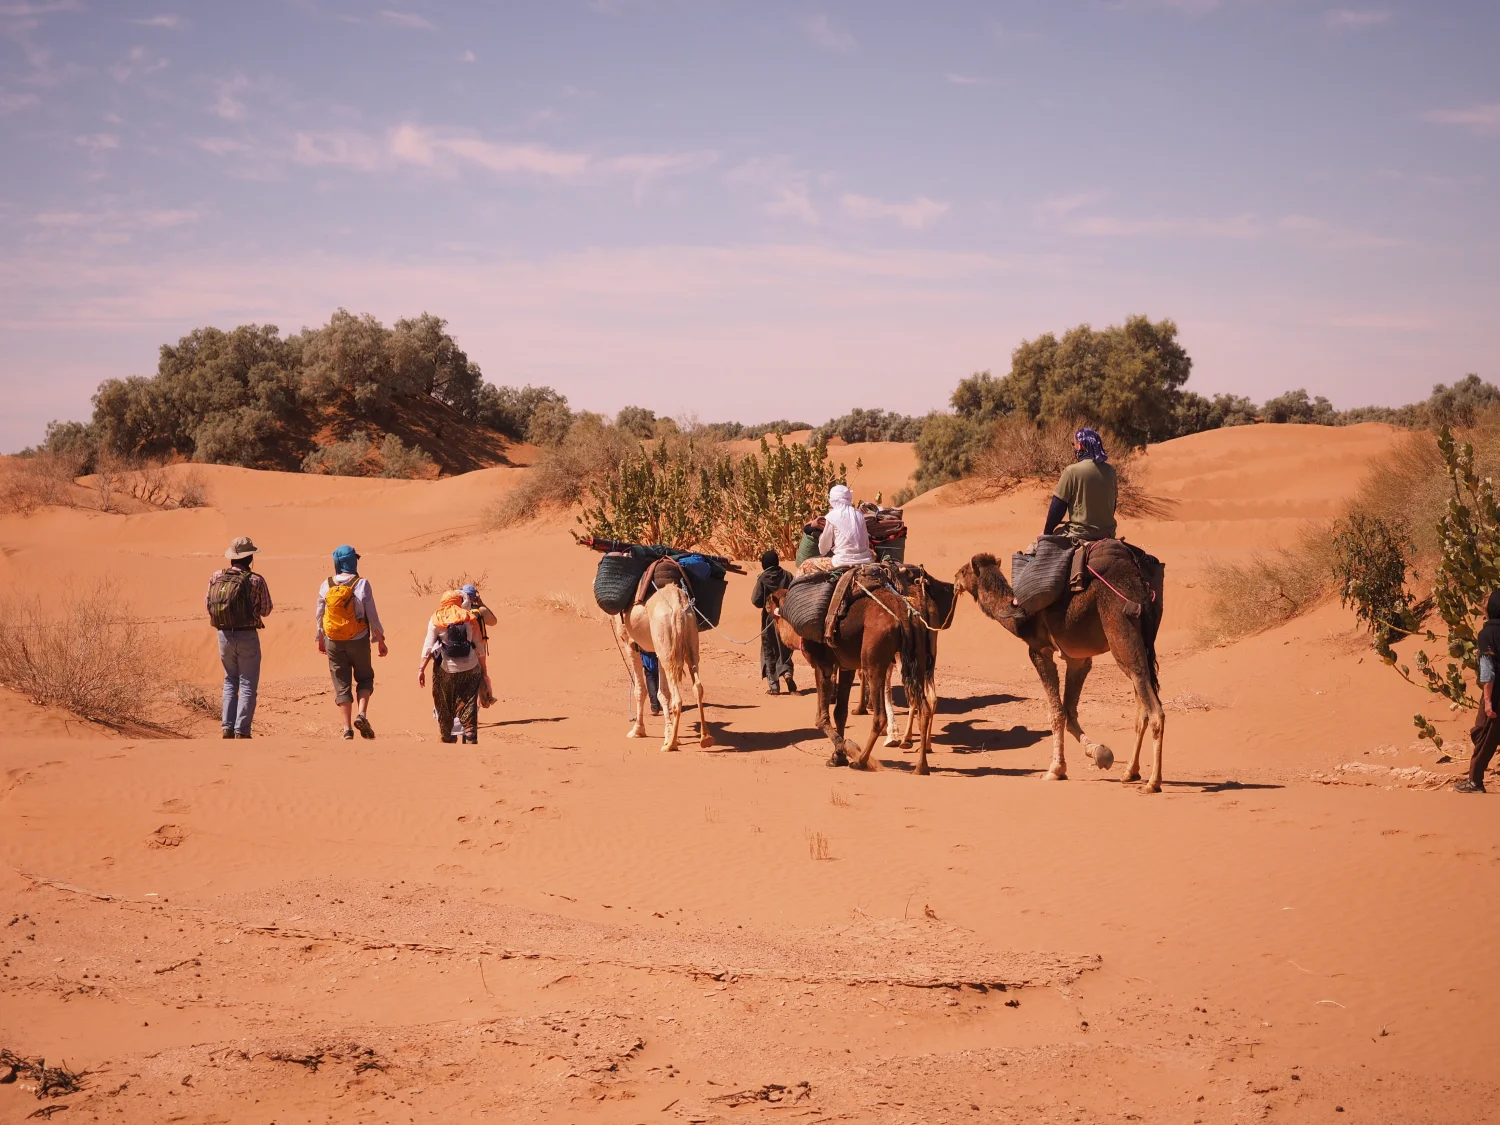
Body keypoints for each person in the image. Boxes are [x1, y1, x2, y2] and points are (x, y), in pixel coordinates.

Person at [205, 535, 274, 739]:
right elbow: (266, 609)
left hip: (223, 635)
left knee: (230, 680)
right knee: (247, 683)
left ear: (232, 558)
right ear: (250, 557)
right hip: (247, 636)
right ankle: (242, 730)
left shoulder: (216, 576)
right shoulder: (256, 580)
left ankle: (227, 726)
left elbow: (207, 605)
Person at [316, 545, 387, 740]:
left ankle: (347, 729)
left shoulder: (326, 584)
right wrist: (379, 639)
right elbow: (372, 615)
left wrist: (320, 638)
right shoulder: (361, 584)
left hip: (333, 640)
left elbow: (320, 614)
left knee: (341, 683)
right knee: (364, 678)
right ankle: (362, 714)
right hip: (358, 639)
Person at [418, 590, 484, 743]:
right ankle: (470, 731)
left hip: (446, 669)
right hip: (470, 667)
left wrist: (421, 668)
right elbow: (479, 645)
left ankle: (446, 734)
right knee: (469, 699)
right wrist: (484, 671)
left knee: (443, 699)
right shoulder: (469, 617)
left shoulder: (436, 617)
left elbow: (428, 647)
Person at [1458, 590, 1500, 793]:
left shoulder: (1486, 634)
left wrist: (1488, 700)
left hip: (1497, 691)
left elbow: (1488, 670)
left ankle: (1475, 781)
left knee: (1482, 733)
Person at [1044, 427, 1118, 543]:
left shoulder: (1072, 471)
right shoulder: (1111, 471)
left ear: (1081, 446)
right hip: (1108, 534)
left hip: (1079, 534)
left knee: (1033, 550)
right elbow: (1112, 506)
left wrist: (1046, 533)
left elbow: (1057, 506)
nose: (1074, 447)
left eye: (1074, 444)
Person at [751, 548, 797, 694]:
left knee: (769, 650)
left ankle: (774, 687)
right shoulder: (788, 575)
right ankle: (787, 673)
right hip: (786, 619)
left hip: (769, 621)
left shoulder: (762, 579)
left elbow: (756, 600)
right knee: (784, 648)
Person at [800, 484, 874, 574]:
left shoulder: (832, 517)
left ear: (832, 500)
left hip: (842, 562)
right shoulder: (859, 515)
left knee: (806, 564)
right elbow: (866, 543)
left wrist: (820, 538)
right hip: (866, 560)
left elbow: (823, 549)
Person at [461, 583, 497, 708]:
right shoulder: (480, 610)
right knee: (482, 672)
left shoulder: (457, 611)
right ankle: (486, 699)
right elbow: (493, 621)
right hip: (479, 649)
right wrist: (482, 603)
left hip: (461, 649)